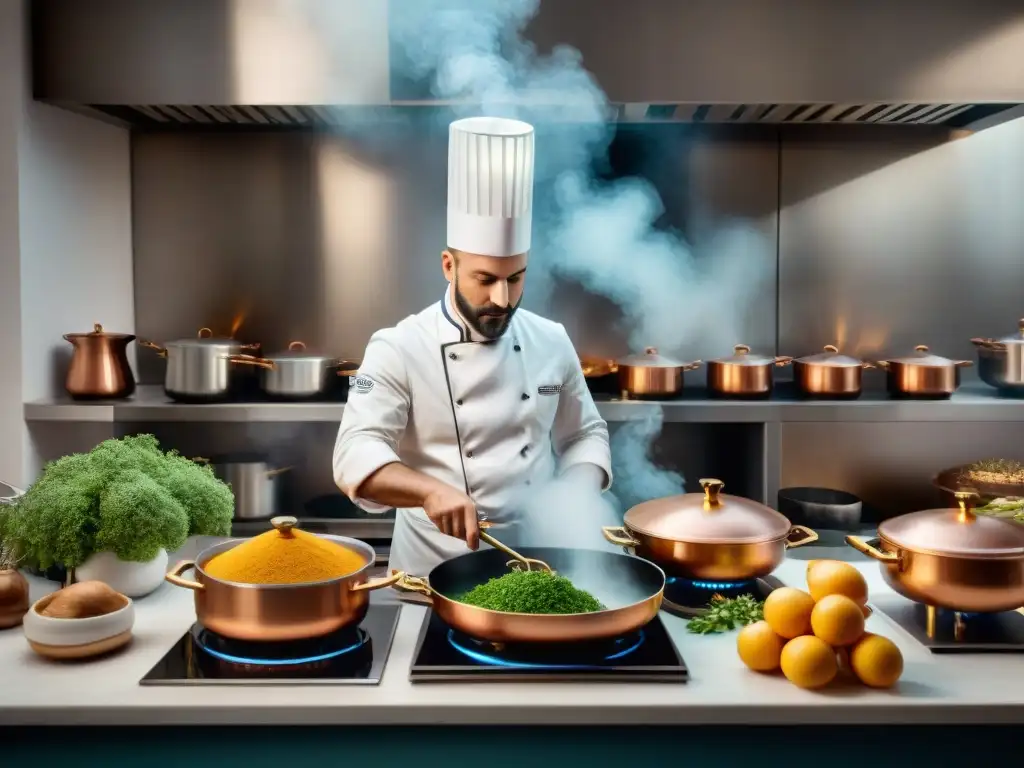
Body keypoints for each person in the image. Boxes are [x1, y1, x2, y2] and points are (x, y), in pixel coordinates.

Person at [332, 116, 612, 576]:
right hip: (432, 569)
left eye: (516, 278)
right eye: (485, 280)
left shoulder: (551, 339)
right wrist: (428, 491)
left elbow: (585, 434)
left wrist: (577, 490)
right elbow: (356, 453)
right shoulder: (398, 347)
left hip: (538, 562)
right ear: (448, 265)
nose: (503, 299)